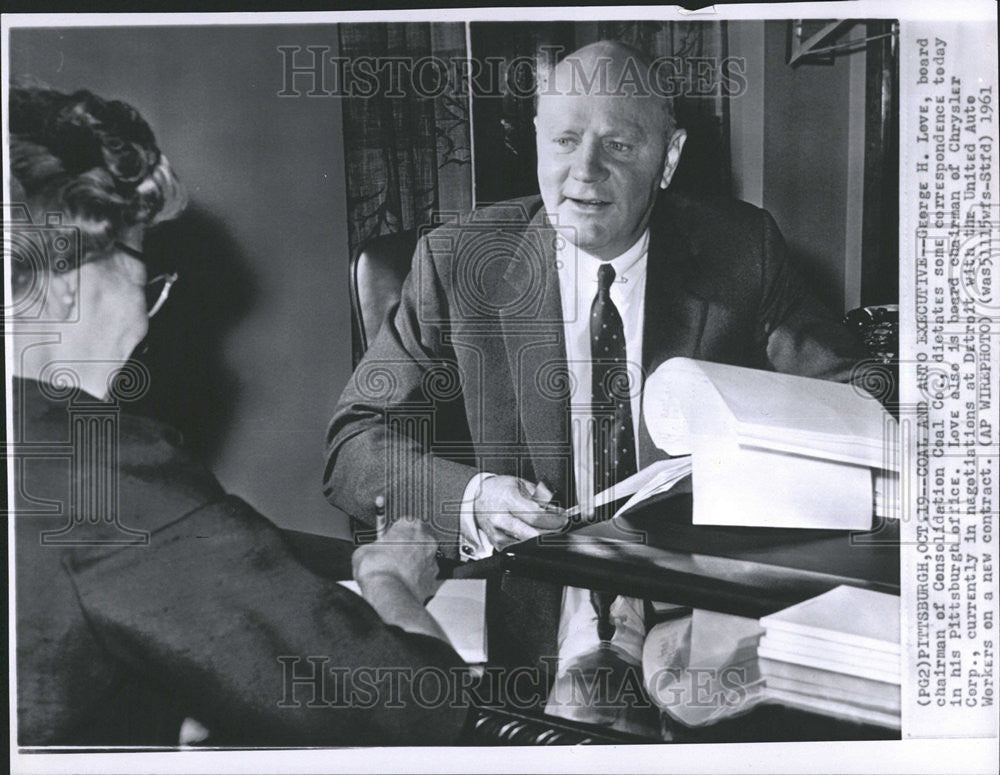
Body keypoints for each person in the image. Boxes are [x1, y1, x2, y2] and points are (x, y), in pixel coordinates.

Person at [325, 41, 869, 689]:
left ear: (667, 158)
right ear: (535, 140)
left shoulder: (740, 249)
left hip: (705, 630)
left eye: (619, 145)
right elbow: (352, 444)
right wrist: (472, 498)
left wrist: (751, 451)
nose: (584, 172)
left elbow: (856, 401)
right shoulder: (458, 263)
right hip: (535, 626)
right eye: (564, 140)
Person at [7, 86, 469, 747]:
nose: (144, 321)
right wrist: (389, 577)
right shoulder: (106, 476)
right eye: (147, 268)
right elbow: (419, 708)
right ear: (68, 276)